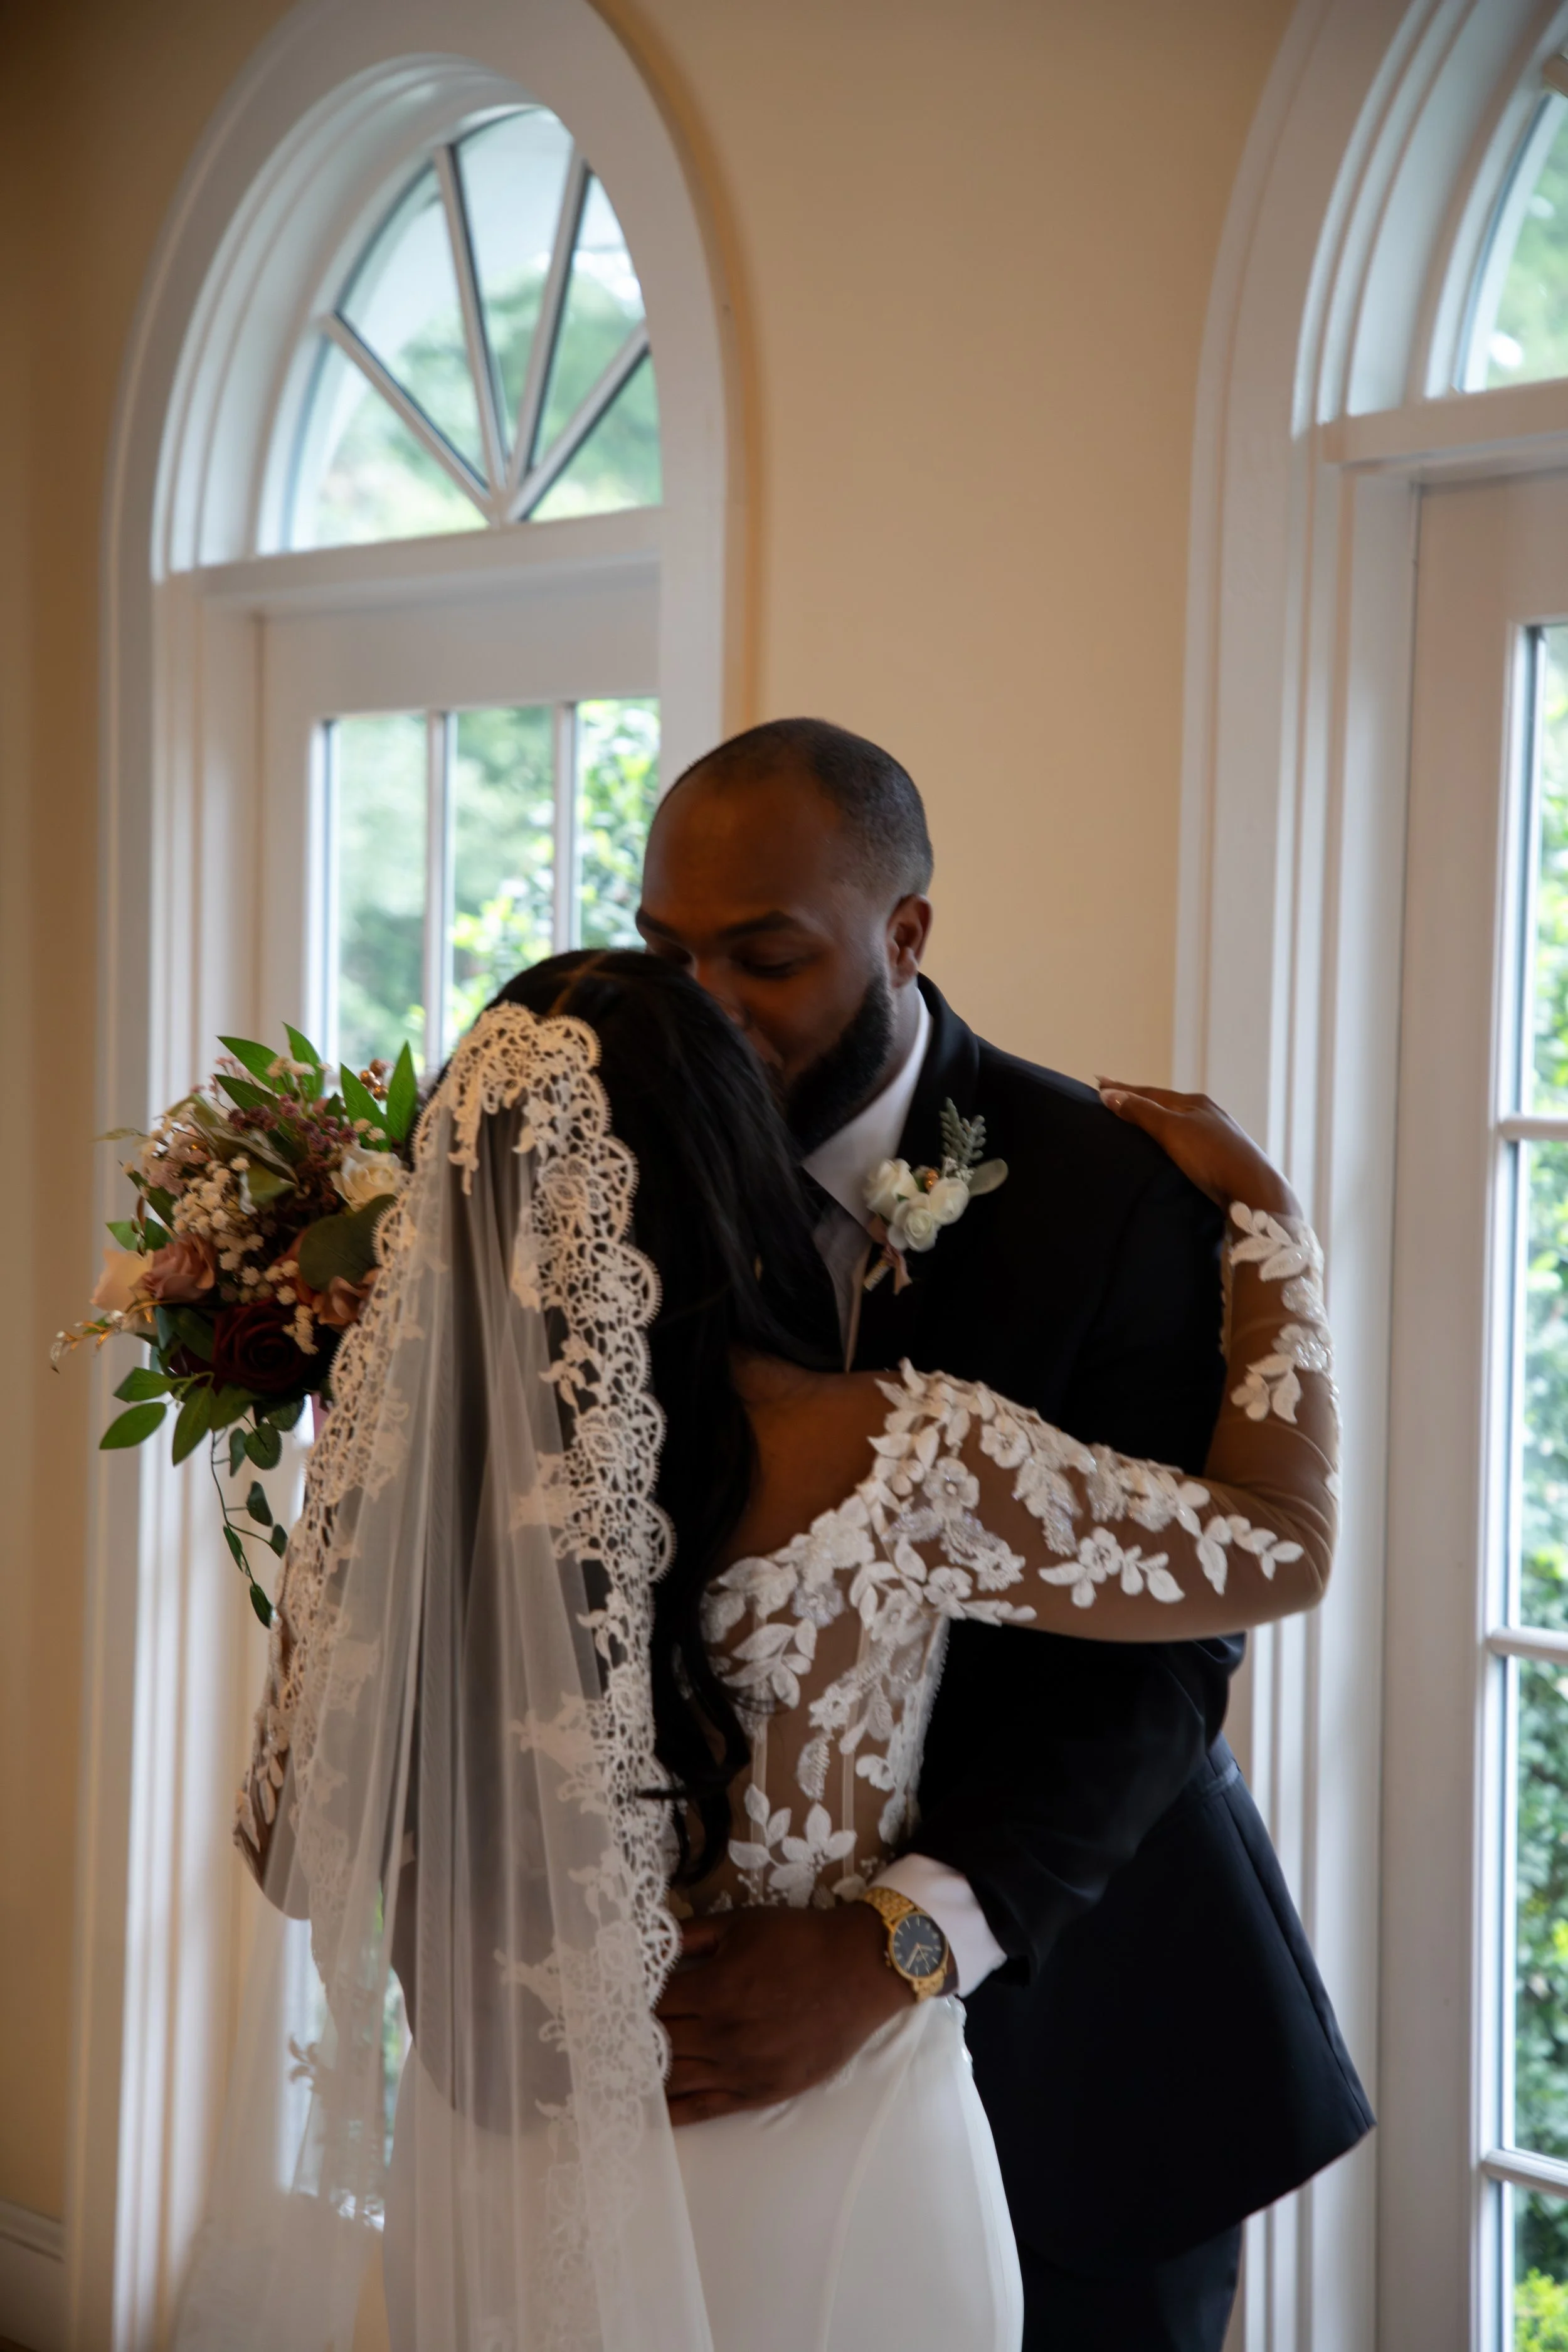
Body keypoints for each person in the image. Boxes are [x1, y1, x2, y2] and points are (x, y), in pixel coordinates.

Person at [188, 942, 1348, 2352]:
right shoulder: (891, 1450)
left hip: (493, 2166)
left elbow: (296, 1855)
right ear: (730, 1166)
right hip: (817, 2164)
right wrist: (1273, 1226)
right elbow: (1278, 1546)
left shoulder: (386, 1478)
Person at [633, 720, 1372, 2351]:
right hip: (693, 2040)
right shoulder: (604, 1177)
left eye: (762, 954)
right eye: (664, 953)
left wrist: (903, 1936)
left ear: (903, 935)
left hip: (1081, 2025)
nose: (704, 1005)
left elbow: (1169, 1655)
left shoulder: (1103, 1198)